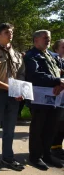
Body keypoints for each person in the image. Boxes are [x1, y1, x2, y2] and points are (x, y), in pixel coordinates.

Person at [0, 23, 25, 174]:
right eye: (7, 33)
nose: (10, 35)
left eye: (11, 33)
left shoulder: (17, 54)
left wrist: (20, 89)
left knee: (9, 129)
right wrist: (10, 88)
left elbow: (21, 73)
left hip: (14, 97)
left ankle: (8, 158)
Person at [24, 30, 64, 170]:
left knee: (51, 128)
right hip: (40, 99)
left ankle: (47, 154)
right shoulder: (31, 56)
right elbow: (35, 75)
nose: (48, 40)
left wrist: (61, 82)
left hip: (56, 98)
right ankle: (35, 157)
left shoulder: (53, 56)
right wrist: (58, 81)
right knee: (38, 128)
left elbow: (61, 70)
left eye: (49, 38)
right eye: (45, 38)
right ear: (36, 40)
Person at [51, 39, 64, 160]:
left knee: (62, 124)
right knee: (57, 123)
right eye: (63, 47)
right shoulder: (53, 60)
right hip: (56, 97)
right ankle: (54, 148)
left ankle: (58, 147)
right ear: (56, 49)